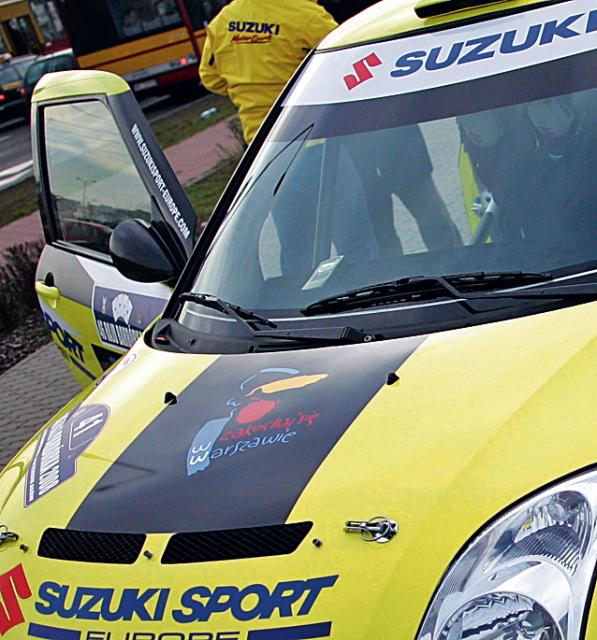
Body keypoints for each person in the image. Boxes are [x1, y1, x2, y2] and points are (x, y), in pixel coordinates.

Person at [199, 0, 337, 144]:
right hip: (315, 133)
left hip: (260, 144)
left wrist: (248, 89)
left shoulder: (222, 22)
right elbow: (346, 62)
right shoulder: (309, 17)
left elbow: (211, 79)